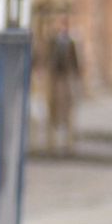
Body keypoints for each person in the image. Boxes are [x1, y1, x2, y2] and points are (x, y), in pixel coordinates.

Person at [45, 16, 80, 153]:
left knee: (67, 110)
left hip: (66, 78)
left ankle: (68, 142)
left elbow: (75, 62)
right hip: (55, 78)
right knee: (53, 110)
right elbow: (49, 58)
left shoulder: (71, 42)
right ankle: (52, 142)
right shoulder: (53, 41)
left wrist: (75, 78)